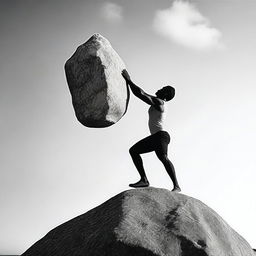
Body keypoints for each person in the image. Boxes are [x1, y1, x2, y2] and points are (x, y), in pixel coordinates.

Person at [122, 69, 181, 192]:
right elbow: (142, 94)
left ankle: (176, 186)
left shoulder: (160, 102)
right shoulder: (157, 102)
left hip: (160, 136)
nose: (159, 89)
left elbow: (141, 94)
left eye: (162, 89)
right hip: (157, 137)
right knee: (134, 151)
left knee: (163, 158)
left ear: (164, 95)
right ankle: (144, 180)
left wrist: (129, 80)